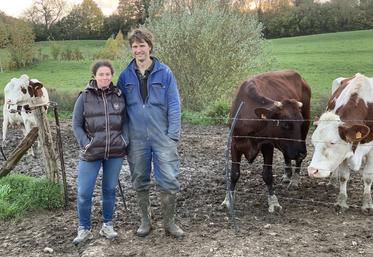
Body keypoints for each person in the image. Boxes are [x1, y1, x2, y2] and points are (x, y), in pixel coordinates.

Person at [117, 28, 184, 238]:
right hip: (136, 139)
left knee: (169, 179)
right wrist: (124, 136)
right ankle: (145, 221)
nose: (138, 50)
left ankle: (169, 223)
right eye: (135, 46)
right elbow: (120, 109)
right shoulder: (125, 76)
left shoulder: (165, 73)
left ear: (150, 46)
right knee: (139, 179)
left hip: (162, 136)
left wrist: (173, 135)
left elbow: (174, 104)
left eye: (142, 45)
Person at [72, 60, 127, 245]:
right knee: (84, 192)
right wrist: (86, 144)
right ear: (94, 76)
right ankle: (84, 228)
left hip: (115, 152)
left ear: (112, 75)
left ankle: (107, 225)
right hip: (91, 153)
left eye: (108, 74)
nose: (105, 77)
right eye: (101, 74)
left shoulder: (119, 95)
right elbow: (76, 125)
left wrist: (124, 140)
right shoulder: (84, 97)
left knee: (109, 189)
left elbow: (125, 122)